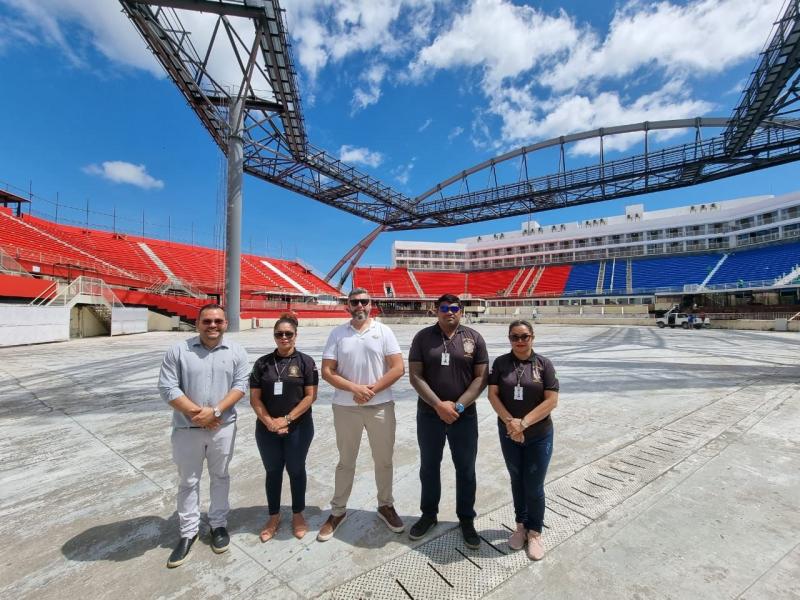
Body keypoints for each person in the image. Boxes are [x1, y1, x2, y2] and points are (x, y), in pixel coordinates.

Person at [158, 304, 249, 568]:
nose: (212, 325)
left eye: (218, 321)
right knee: (188, 480)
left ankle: (218, 524)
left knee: (221, 476)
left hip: (223, 426)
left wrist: (216, 411)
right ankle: (188, 531)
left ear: (225, 324)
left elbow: (240, 385)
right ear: (197, 323)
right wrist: (199, 414)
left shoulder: (236, 352)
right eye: (207, 321)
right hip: (188, 428)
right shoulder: (179, 351)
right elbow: (167, 387)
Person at [317, 288, 405, 541]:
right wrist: (355, 388)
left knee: (384, 460)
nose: (359, 306)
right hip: (346, 407)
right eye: (354, 302)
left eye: (364, 302)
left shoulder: (383, 331)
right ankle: (338, 511)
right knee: (346, 461)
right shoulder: (337, 333)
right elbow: (327, 371)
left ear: (371, 304)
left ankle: (385, 505)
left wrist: (371, 390)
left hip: (380, 406)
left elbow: (398, 367)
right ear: (348, 306)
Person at [408, 294, 488, 548]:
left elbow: (481, 378)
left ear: (461, 311)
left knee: (465, 469)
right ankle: (428, 515)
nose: (449, 312)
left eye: (454, 308)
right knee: (429, 467)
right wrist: (438, 405)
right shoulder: (423, 338)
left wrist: (459, 405)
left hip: (464, 416)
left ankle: (466, 519)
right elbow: (415, 376)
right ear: (436, 311)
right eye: (444, 308)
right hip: (430, 414)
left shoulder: (474, 338)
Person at [487, 320, 559, 561]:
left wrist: (523, 423)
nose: (519, 341)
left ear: (532, 337)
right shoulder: (501, 363)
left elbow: (551, 400)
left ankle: (535, 532)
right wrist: (510, 423)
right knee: (517, 479)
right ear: (509, 339)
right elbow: (492, 394)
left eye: (524, 336)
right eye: (514, 337)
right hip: (509, 433)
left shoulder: (544, 365)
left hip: (538, 435)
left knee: (534, 484)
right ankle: (521, 526)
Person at [249, 314, 318, 542]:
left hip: (298, 427)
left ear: (296, 336)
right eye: (280, 334)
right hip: (267, 429)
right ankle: (274, 516)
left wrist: (286, 420)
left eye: (289, 334)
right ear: (274, 336)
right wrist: (270, 422)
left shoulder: (306, 362)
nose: (284, 337)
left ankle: (298, 514)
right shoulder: (262, 364)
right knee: (273, 471)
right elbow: (255, 399)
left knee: (296, 470)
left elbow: (310, 397)